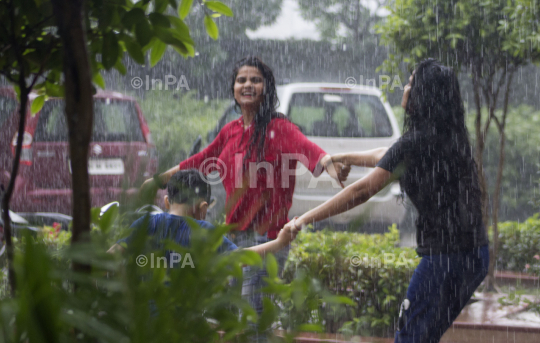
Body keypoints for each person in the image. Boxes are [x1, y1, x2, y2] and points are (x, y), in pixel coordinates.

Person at [139, 56, 349, 341]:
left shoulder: (280, 129)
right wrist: (156, 181)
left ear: (266, 87)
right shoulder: (231, 131)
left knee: (253, 321)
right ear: (234, 88)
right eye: (242, 80)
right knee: (237, 321)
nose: (248, 84)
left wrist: (330, 163)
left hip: (267, 241)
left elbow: (311, 150)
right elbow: (200, 160)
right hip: (232, 240)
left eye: (255, 79)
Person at [283, 58, 489, 343]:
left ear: (421, 95)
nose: (404, 88)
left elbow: (361, 191)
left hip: (444, 258)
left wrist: (303, 218)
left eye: (410, 83)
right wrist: (342, 157)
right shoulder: (448, 137)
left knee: (410, 335)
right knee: (424, 335)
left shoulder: (416, 141)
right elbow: (388, 153)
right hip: (475, 255)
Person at [108, 169, 298, 258]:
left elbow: (112, 256)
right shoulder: (204, 232)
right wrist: (280, 242)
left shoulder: (145, 224)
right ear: (203, 208)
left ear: (167, 201)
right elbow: (240, 258)